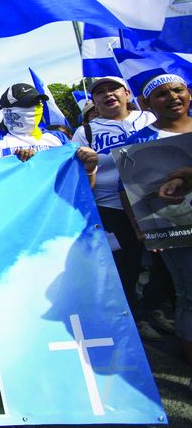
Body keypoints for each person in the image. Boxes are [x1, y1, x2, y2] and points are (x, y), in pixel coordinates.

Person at [71, 77, 157, 340]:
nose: (108, 95)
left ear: (127, 93)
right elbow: (79, 177)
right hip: (110, 206)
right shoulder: (85, 132)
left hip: (155, 202)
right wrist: (90, 166)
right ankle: (136, 317)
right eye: (100, 92)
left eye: (113, 89)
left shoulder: (149, 119)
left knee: (162, 262)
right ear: (94, 101)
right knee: (127, 264)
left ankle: (156, 307)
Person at [124, 72, 192, 367]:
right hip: (177, 232)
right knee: (188, 295)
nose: (172, 97)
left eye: (178, 90)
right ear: (146, 103)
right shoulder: (141, 141)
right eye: (162, 94)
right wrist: (144, 228)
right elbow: (129, 190)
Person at [0, 41, 68, 160]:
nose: (38, 106)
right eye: (29, 103)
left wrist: (84, 160)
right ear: (9, 111)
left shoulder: (58, 138)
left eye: (38, 102)